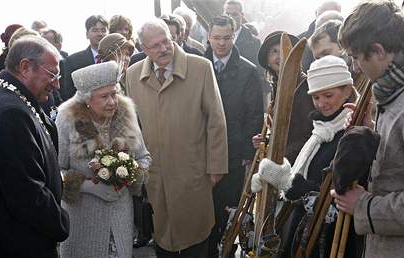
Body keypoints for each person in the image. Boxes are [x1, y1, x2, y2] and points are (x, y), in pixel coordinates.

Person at [330, 1, 404, 257]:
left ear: (379, 50)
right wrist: (370, 131)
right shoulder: (402, 85)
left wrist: (363, 206)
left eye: (356, 57)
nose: (355, 67)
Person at [125, 18, 228, 257]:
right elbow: (134, 126)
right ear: (143, 49)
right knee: (163, 239)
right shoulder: (132, 75)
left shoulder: (200, 67)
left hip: (193, 170)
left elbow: (216, 120)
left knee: (196, 236)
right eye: (155, 45)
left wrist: (216, 167)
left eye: (166, 42)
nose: (163, 49)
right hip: (156, 173)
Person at [252, 55, 360, 258]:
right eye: (316, 97)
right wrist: (272, 179)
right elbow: (307, 172)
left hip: (330, 243)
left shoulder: (351, 134)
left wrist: (288, 183)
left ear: (347, 90)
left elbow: (336, 202)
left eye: (328, 96)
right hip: (306, 232)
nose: (321, 104)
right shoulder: (322, 129)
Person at [56, 61, 151, 258]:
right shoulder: (67, 120)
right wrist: (86, 186)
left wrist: (132, 173)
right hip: (83, 217)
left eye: (114, 93)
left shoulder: (126, 115)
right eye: (104, 96)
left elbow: (144, 156)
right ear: (87, 99)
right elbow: (56, 170)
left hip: (120, 213)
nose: (112, 101)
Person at [0, 36, 69, 257]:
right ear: (25, 67)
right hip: (23, 242)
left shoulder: (10, 98)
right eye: (52, 74)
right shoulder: (11, 112)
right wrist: (60, 222)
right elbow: (26, 193)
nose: (57, 84)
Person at [203, 15, 263, 257]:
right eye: (216, 38)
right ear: (209, 37)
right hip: (201, 150)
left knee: (228, 211)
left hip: (233, 151)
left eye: (226, 37)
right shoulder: (197, 65)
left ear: (234, 35)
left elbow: (254, 115)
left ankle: (224, 249)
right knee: (202, 210)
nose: (221, 43)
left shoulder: (248, 70)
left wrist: (246, 154)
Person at [254, 31, 314, 164]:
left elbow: (309, 133)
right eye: (274, 52)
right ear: (268, 62)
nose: (280, 56)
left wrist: (281, 157)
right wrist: (266, 140)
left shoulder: (305, 86)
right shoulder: (276, 88)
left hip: (297, 162)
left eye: (284, 50)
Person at [60, 15, 109, 101]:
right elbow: (68, 93)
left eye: (103, 30)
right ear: (87, 34)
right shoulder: (72, 61)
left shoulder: (116, 58)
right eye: (95, 30)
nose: (100, 34)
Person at [223, 0, 261, 66]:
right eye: (227, 14)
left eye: (234, 14)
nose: (230, 18)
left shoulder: (255, 43)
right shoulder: (214, 39)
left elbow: (258, 72)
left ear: (242, 15)